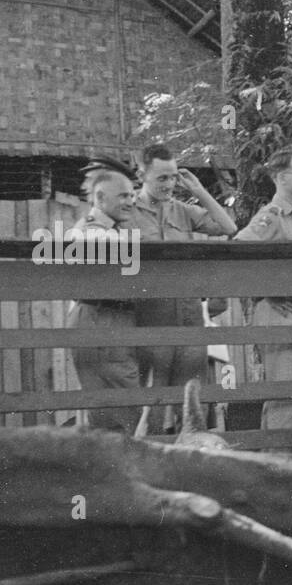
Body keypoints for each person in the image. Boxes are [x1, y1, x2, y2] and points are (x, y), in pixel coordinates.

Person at [130, 144, 237, 433]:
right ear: (142, 175)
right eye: (161, 178)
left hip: (189, 312)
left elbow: (228, 227)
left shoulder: (182, 211)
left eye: (174, 177)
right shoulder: (127, 212)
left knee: (192, 397)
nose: (169, 185)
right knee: (151, 398)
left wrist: (200, 190)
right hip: (150, 314)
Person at [233, 146, 292, 437]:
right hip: (284, 317)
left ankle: (280, 466)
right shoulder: (272, 215)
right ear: (282, 178)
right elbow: (237, 249)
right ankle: (290, 471)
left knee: (288, 400)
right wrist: (266, 292)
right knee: (289, 400)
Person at [64, 168, 143, 433]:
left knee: (108, 414)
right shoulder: (96, 234)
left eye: (132, 195)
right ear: (99, 196)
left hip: (99, 318)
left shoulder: (104, 230)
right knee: (124, 412)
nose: (130, 201)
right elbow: (126, 284)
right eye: (123, 195)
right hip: (105, 318)